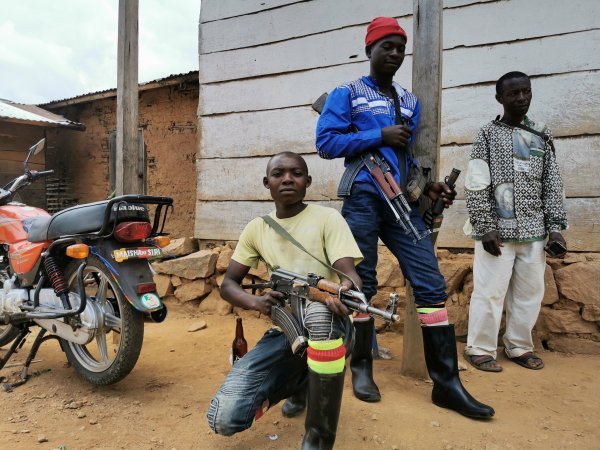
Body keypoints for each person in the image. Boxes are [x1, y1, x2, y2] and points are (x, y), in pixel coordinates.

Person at [315, 16, 494, 419]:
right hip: (362, 196)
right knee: (362, 282)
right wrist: (377, 136)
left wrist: (426, 189)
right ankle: (361, 368)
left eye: (400, 47)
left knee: (430, 281)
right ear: (370, 50)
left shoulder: (408, 101)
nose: (395, 53)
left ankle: (446, 384)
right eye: (387, 46)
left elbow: (405, 160)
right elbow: (326, 142)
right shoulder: (347, 93)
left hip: (400, 201)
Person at [206, 152, 363, 449]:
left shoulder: (328, 219)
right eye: (279, 173)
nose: (288, 178)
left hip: (332, 327)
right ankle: (302, 380)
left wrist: (344, 291)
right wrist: (258, 303)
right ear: (267, 183)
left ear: (308, 181)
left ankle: (317, 438)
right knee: (223, 418)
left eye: (296, 173)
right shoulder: (257, 228)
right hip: (287, 328)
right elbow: (228, 284)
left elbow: (350, 275)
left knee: (319, 317)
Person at [463, 71, 568, 372]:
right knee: (489, 292)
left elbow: (552, 183)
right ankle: (480, 349)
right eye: (513, 94)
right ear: (500, 98)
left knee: (529, 295)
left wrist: (556, 229)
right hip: (496, 234)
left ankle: (519, 347)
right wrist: (485, 227)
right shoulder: (486, 134)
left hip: (535, 233)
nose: (521, 98)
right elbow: (476, 182)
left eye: (526, 92)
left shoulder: (542, 134)